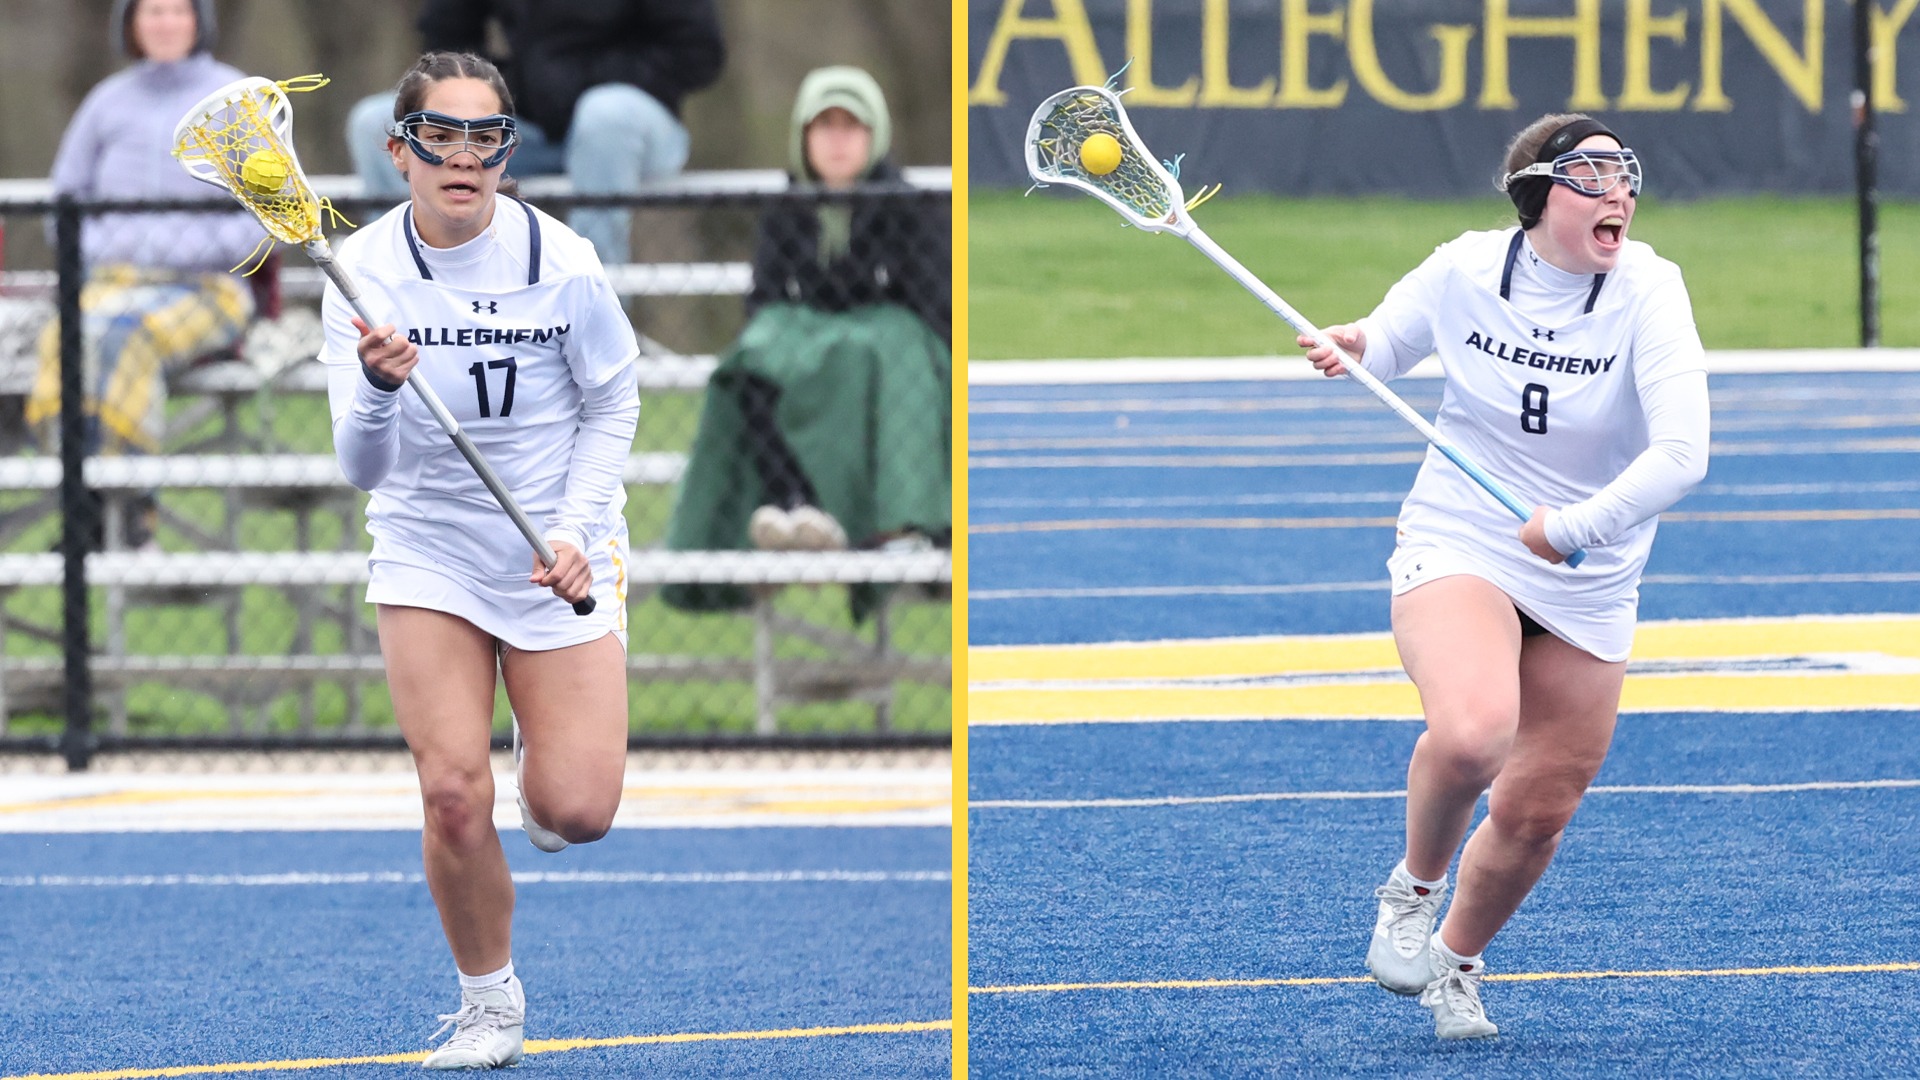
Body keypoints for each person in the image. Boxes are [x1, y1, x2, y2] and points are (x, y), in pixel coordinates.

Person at [1297, 115, 1710, 1039]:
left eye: (1626, 175)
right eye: (1592, 175)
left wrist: (1574, 527)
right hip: (1466, 534)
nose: (1619, 193)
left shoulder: (1651, 288)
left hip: (1587, 567)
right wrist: (1355, 346)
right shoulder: (1464, 267)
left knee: (1537, 810)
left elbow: (1684, 454)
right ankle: (1410, 891)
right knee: (1477, 730)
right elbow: (1389, 343)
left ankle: (1453, 963)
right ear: (1536, 195)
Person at [318, 52, 640, 1069]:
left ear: (507, 151)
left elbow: (615, 400)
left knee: (576, 811)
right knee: (451, 792)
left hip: (551, 541)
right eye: (441, 137)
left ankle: (538, 759)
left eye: (485, 138)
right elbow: (362, 466)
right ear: (399, 150)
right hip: (428, 547)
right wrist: (375, 387)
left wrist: (577, 530)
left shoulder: (563, 261)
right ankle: (488, 1003)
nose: (464, 157)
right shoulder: (360, 275)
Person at [662, 65, 950, 617]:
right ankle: (791, 502)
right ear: (803, 137)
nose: (837, 140)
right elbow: (764, 301)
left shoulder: (912, 205)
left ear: (875, 135)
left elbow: (932, 309)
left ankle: (899, 522)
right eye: (824, 126)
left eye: (851, 126)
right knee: (755, 355)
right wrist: (818, 337)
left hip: (884, 369)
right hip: (818, 359)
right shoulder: (787, 207)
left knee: (882, 348)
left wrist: (845, 334)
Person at [28, 0, 266, 547]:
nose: (164, 23)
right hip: (112, 282)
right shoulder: (105, 103)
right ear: (131, 25)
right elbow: (65, 199)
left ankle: (129, 507)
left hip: (210, 288)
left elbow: (265, 211)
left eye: (176, 11)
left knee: (123, 335)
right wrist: (106, 248)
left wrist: (197, 249)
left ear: (198, 22)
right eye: (152, 12)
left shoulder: (233, 99)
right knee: (61, 337)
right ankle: (90, 499)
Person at [344, 0, 725, 265]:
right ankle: (399, 299)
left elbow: (698, 52)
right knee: (376, 121)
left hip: (635, 126)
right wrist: (497, 93)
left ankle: (593, 316)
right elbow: (446, 37)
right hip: (527, 125)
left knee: (604, 117)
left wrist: (570, 85)